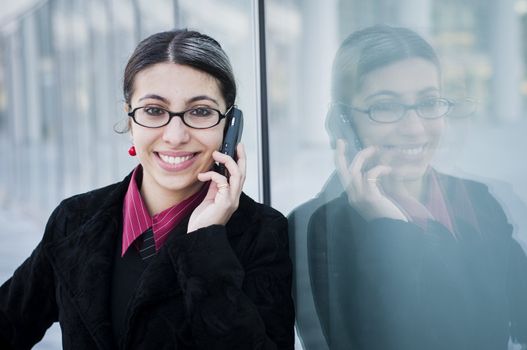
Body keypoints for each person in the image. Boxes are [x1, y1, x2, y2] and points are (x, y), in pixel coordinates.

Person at [0, 29, 294, 349]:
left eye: (200, 111)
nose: (175, 135)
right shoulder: (75, 220)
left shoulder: (261, 232)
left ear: (230, 125)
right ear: (130, 121)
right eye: (154, 111)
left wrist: (204, 246)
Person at [297, 25, 527, 350]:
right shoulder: (316, 227)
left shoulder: (477, 201)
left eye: (429, 102)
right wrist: (388, 228)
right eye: (385, 106)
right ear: (344, 122)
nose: (415, 129)